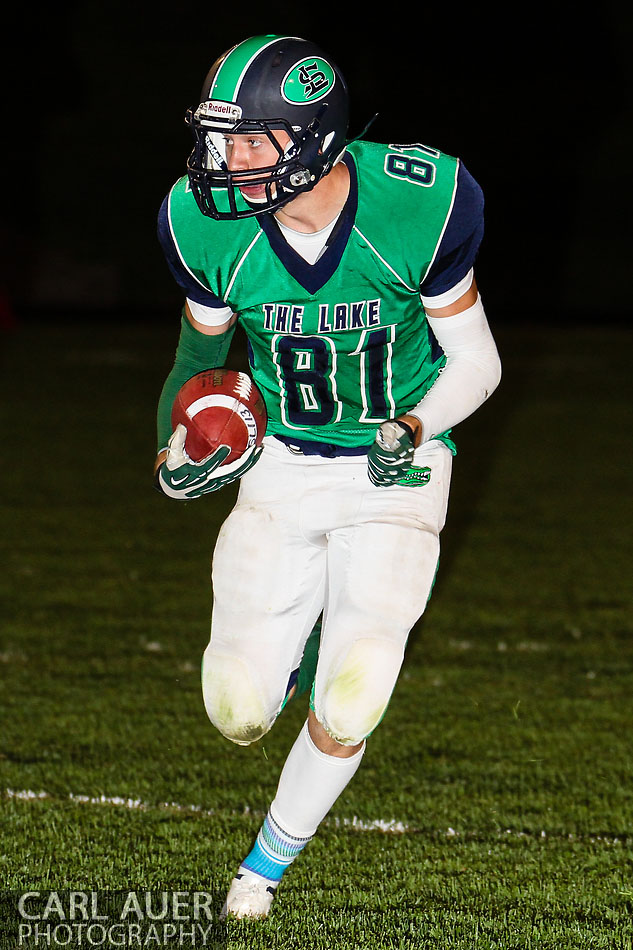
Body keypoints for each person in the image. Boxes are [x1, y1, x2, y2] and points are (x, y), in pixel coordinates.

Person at [154, 34, 501, 920]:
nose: (219, 161)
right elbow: (198, 356)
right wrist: (177, 451)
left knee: (354, 687)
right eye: (215, 137)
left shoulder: (413, 205)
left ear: (311, 140)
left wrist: (415, 424)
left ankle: (261, 870)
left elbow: (478, 363)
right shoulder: (206, 221)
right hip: (281, 460)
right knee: (236, 709)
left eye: (246, 142)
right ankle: (300, 644)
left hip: (398, 463)